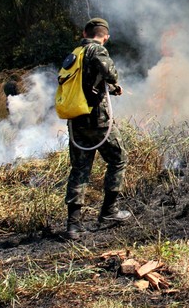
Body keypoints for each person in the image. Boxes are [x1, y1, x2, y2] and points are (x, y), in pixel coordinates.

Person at [65, 18, 130, 240]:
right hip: (98, 121)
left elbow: (85, 83)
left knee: (80, 169)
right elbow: (111, 73)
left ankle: (73, 225)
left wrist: (110, 89)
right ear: (106, 36)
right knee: (119, 158)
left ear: (84, 32)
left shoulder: (75, 54)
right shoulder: (97, 50)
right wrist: (113, 82)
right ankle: (109, 212)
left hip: (75, 120)